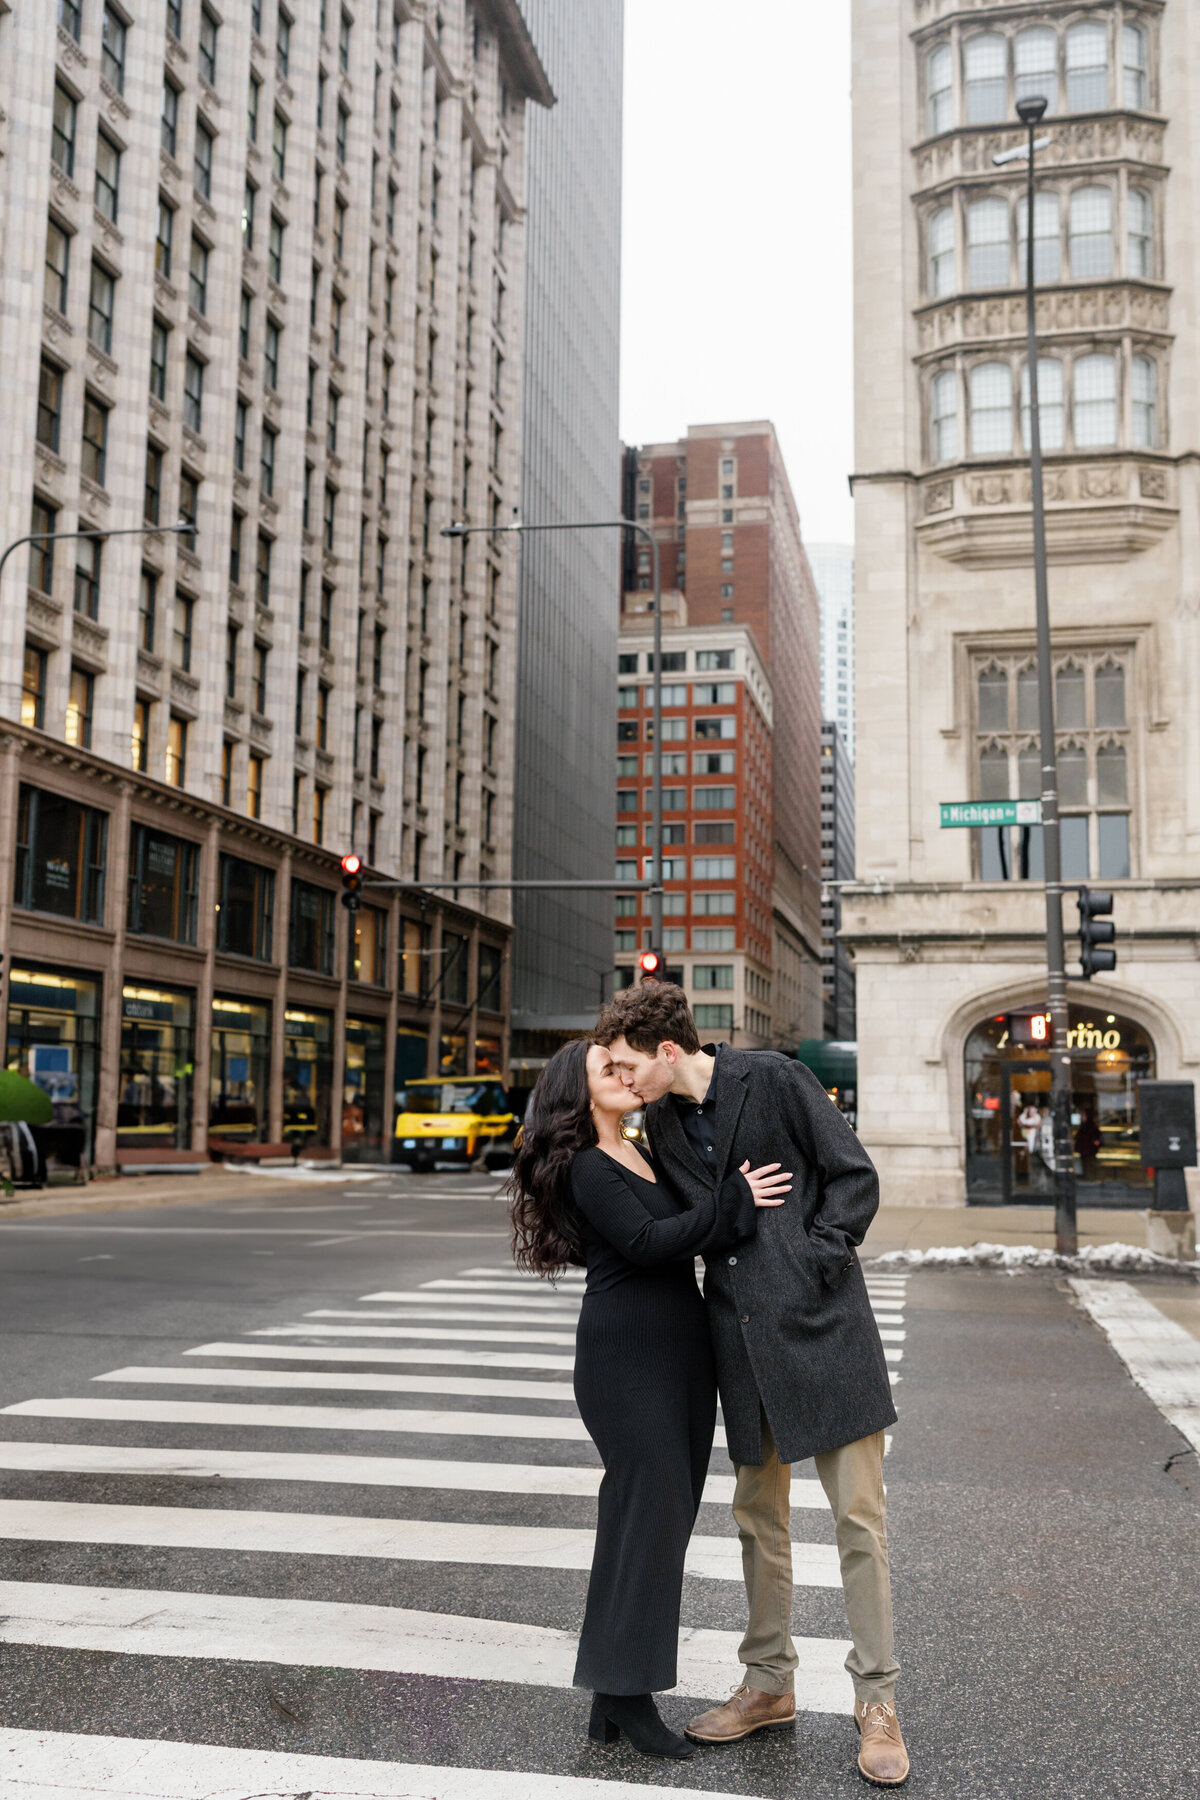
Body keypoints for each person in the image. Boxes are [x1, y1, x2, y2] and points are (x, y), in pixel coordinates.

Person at [596, 983, 909, 1788]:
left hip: (825, 1329)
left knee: (858, 1523)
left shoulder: (773, 1078)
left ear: (668, 1050)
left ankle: (877, 1703)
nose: (624, 1080)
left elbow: (852, 1175)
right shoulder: (659, 1124)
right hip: (735, 1339)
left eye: (630, 1065)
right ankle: (769, 1685)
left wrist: (818, 1259)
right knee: (756, 1519)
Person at [508, 1037, 792, 1761]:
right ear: (581, 1091)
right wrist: (736, 1199)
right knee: (650, 1522)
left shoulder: (639, 1147)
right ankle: (630, 1696)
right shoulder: (585, 1166)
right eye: (610, 1070)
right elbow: (647, 1241)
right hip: (627, 1357)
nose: (626, 1075)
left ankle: (610, 1692)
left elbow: (683, 1228)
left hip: (679, 1353)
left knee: (649, 1523)